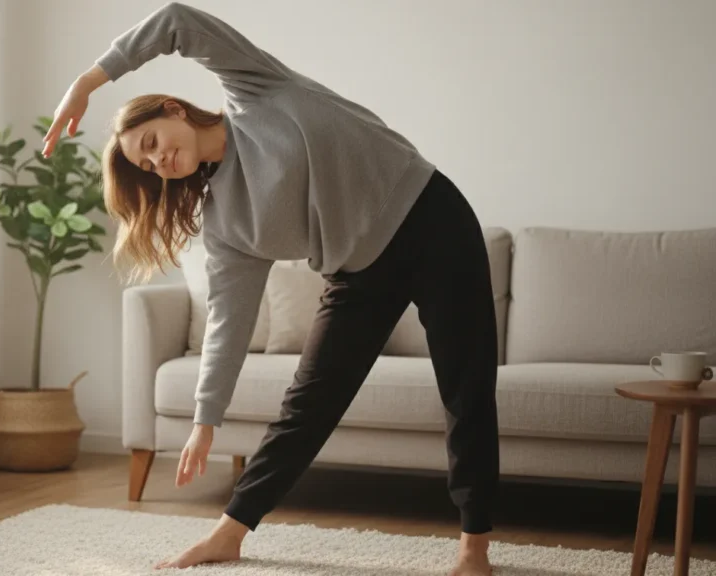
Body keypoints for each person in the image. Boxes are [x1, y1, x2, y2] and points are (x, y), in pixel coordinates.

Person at [42, 3, 499, 575]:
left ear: (174, 109)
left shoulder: (254, 87)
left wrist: (89, 82)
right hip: (359, 271)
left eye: (153, 141)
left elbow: (178, 20)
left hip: (432, 218)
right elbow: (227, 323)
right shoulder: (226, 223)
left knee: (467, 384)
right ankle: (230, 533)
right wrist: (206, 421)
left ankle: (473, 548)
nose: (160, 160)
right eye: (150, 165)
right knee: (306, 407)